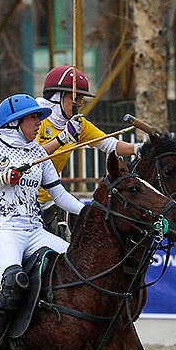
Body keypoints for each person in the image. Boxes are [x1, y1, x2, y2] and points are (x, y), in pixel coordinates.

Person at [0, 93, 87, 350]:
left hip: (34, 231)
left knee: (76, 266)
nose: (39, 123)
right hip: (2, 231)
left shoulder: (39, 153)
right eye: (33, 118)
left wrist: (89, 211)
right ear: (14, 122)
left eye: (39, 118)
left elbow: (59, 195)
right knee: (14, 281)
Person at [34, 66, 142, 239]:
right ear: (56, 97)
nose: (79, 104)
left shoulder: (78, 124)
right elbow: (29, 157)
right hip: (22, 200)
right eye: (75, 98)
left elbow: (110, 144)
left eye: (82, 99)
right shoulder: (35, 119)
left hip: (52, 199)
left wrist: (138, 149)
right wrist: (61, 139)